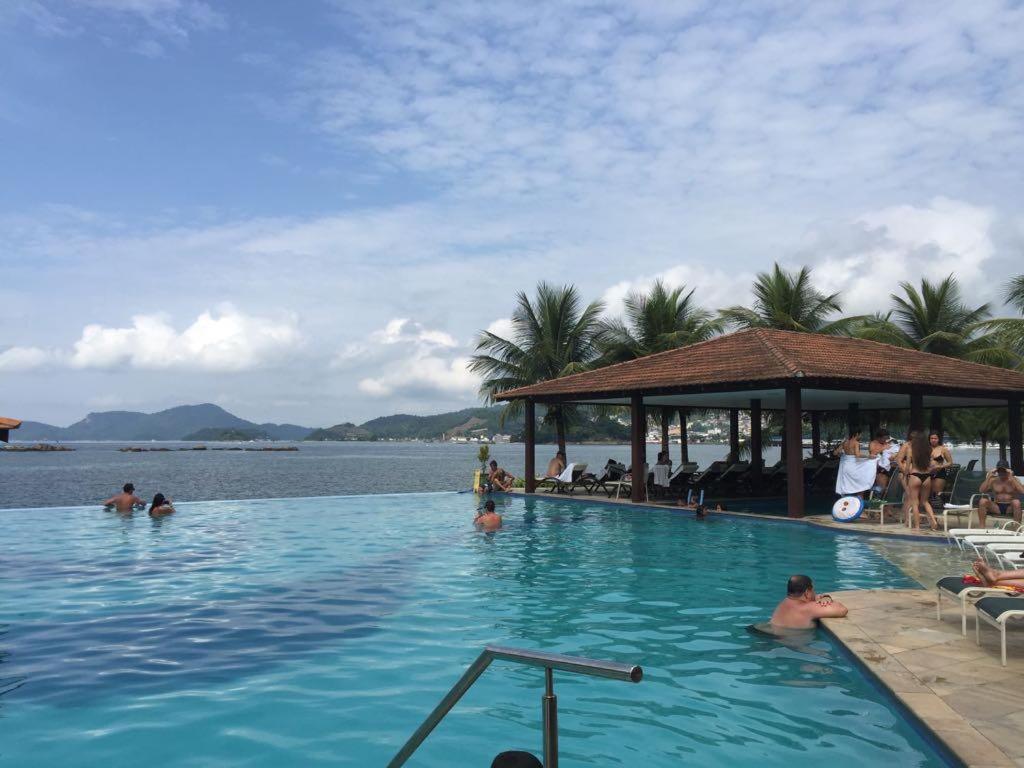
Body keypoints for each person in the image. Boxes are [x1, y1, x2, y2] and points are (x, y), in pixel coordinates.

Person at [769, 574, 848, 630]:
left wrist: (822, 597)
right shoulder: (807, 608)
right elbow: (841, 609)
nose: (815, 593)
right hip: (797, 646)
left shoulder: (783, 604)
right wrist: (827, 598)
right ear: (807, 593)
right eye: (813, 590)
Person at [902, 431, 938, 531]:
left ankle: (917, 527)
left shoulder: (911, 449)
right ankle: (933, 521)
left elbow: (908, 465)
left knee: (914, 503)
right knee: (925, 501)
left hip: (915, 475)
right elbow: (931, 464)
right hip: (927, 476)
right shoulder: (929, 449)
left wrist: (905, 475)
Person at [977, 460, 1024, 526]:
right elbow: (981, 490)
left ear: (1007, 470)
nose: (1001, 472)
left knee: (1016, 502)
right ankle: (981, 528)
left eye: (1003, 470)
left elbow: (1022, 491)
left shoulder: (1014, 480)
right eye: (999, 470)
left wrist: (1011, 476)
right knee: (982, 501)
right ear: (997, 470)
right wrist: (988, 477)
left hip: (1010, 507)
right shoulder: (993, 480)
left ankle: (1016, 528)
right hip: (996, 507)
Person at [929, 432, 954, 497]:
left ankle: (937, 506)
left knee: (937, 495)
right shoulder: (925, 449)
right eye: (931, 438)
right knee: (927, 494)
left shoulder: (943, 449)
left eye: (935, 438)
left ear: (938, 439)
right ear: (929, 439)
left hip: (939, 473)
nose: (933, 440)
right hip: (927, 473)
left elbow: (950, 463)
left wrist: (940, 466)